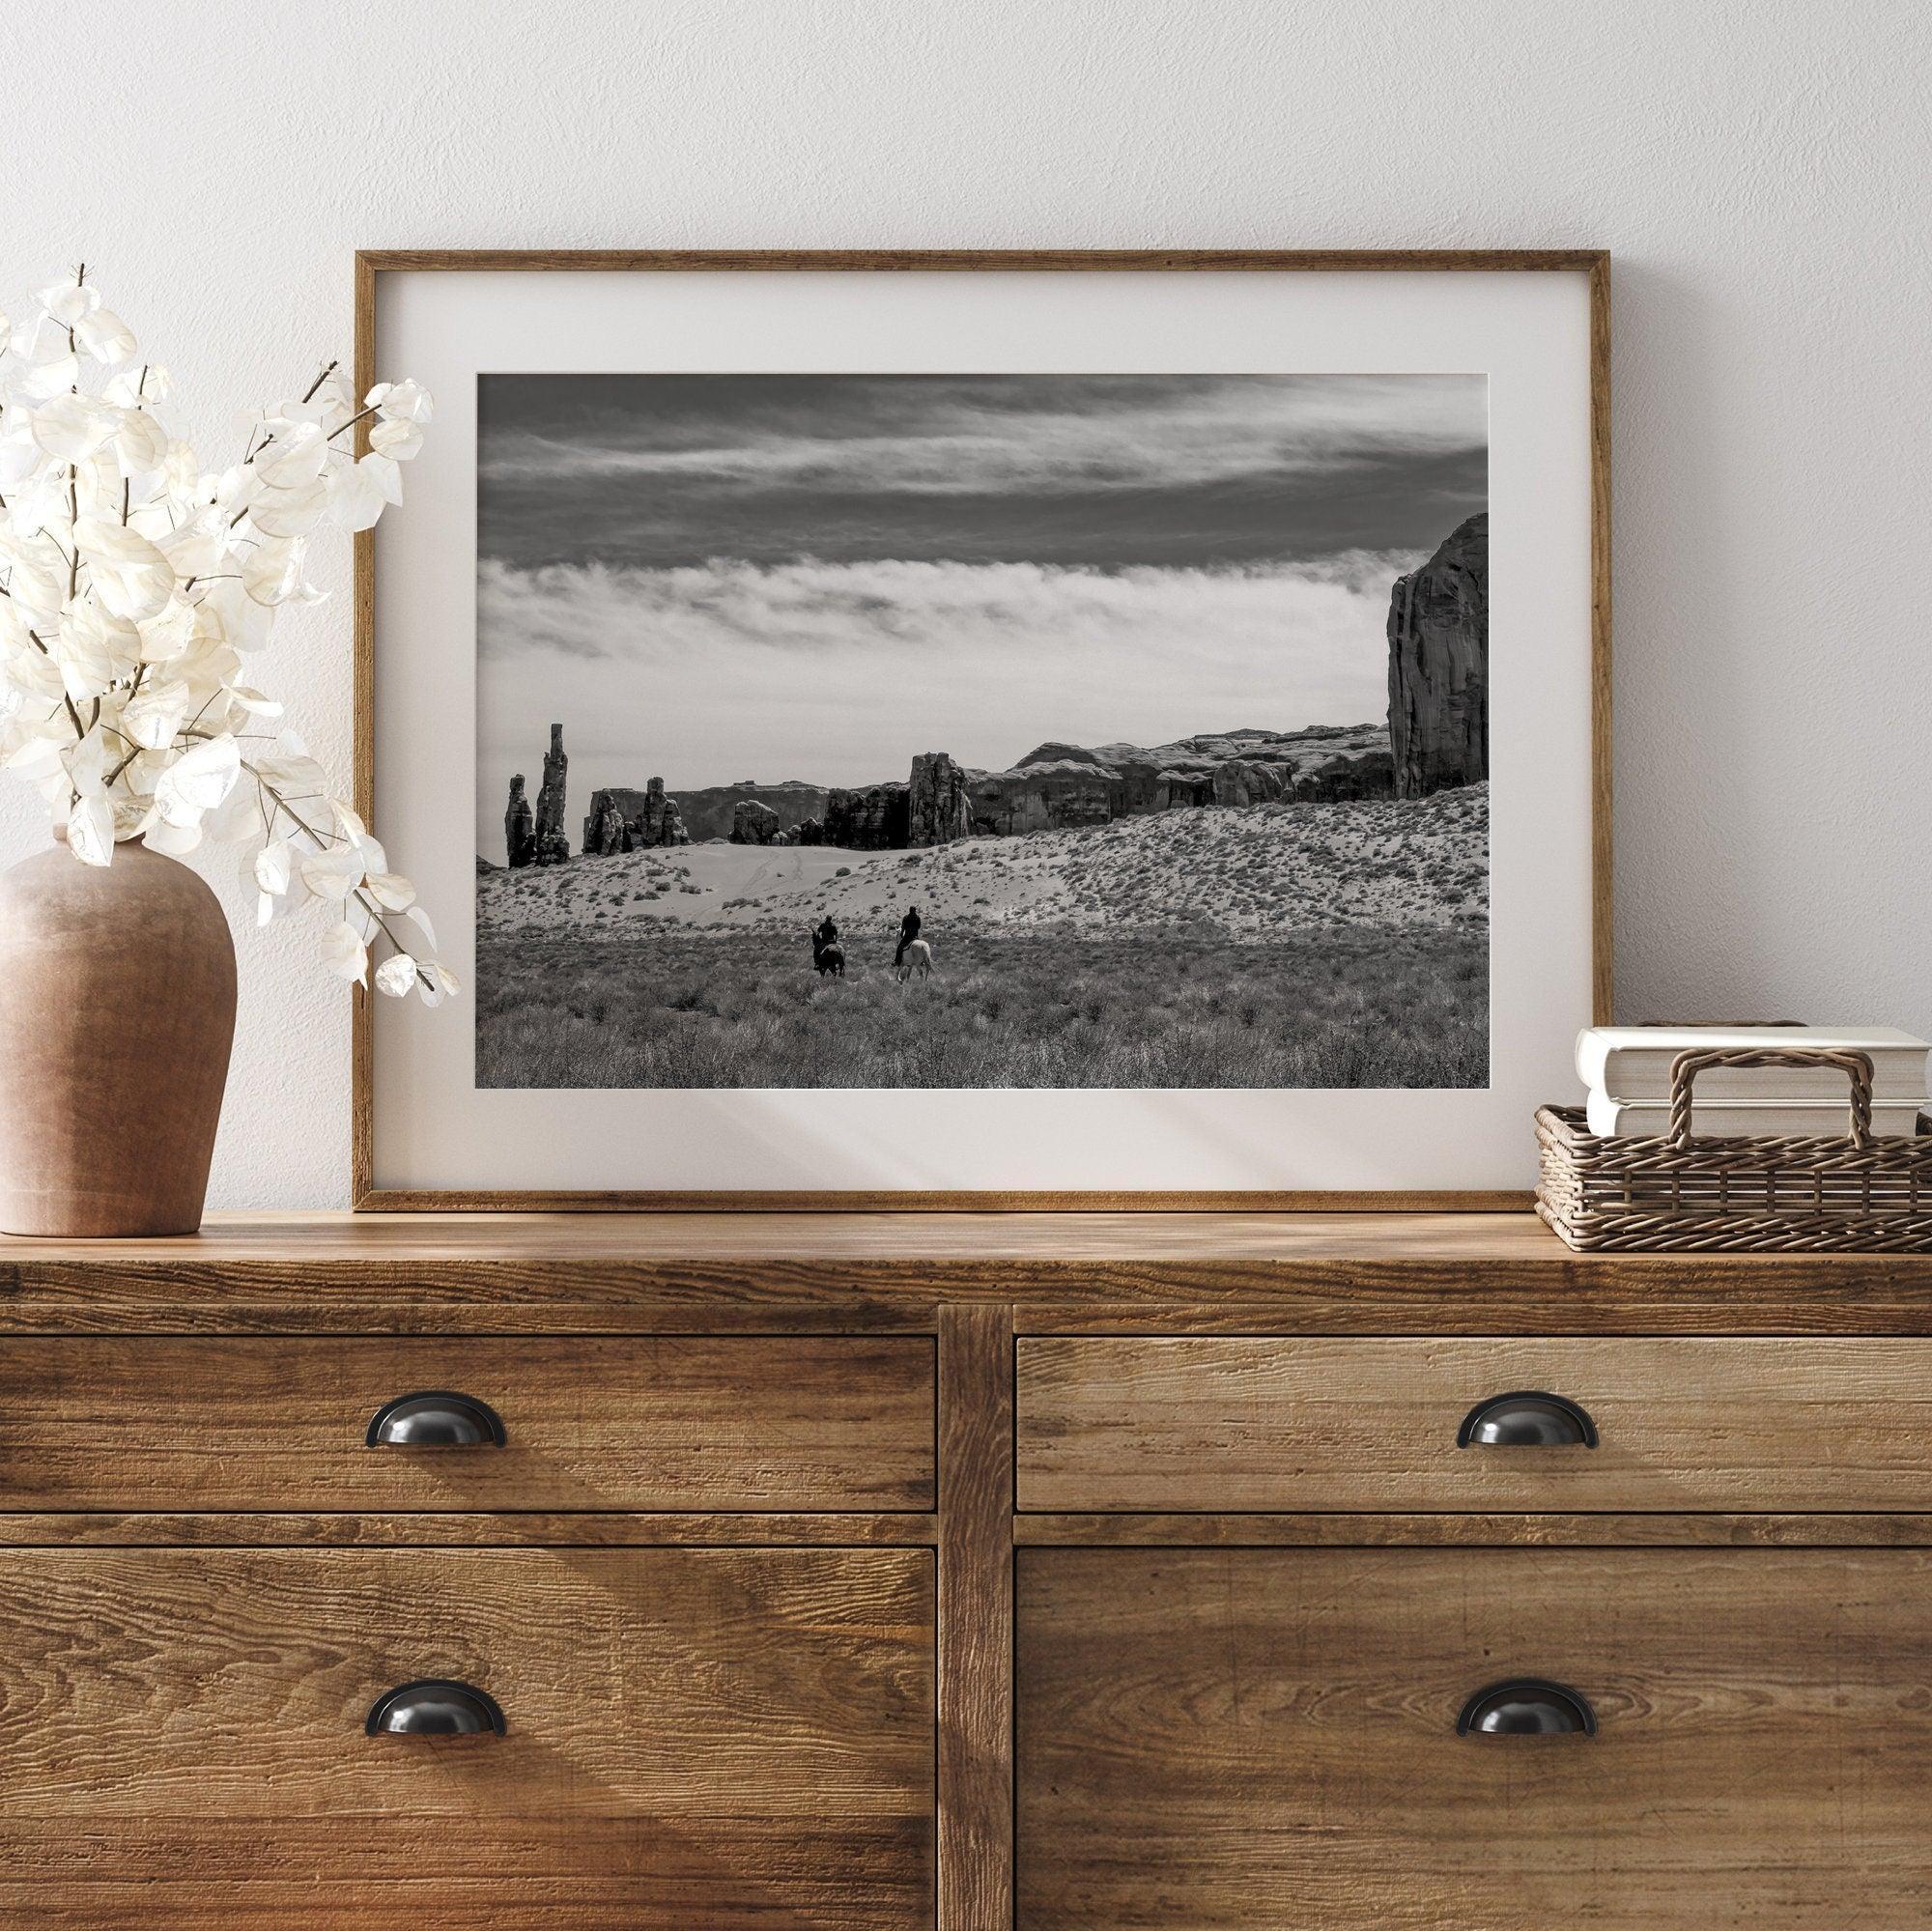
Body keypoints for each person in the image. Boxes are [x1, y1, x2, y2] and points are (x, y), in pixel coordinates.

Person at [894, 904, 922, 969]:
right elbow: (919, 927)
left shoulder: (906, 917)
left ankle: (896, 961)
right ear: (915, 911)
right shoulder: (917, 918)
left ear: (909, 911)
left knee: (899, 948)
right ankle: (922, 961)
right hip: (915, 936)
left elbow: (903, 927)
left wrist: (901, 934)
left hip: (907, 936)